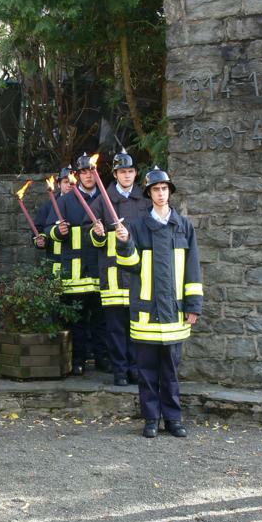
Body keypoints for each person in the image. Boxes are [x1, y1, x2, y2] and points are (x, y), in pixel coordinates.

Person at [115, 167, 202, 438]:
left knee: (172, 372)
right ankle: (151, 419)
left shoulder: (184, 226)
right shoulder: (137, 228)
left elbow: (193, 268)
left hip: (175, 313)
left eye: (165, 189)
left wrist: (193, 305)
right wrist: (125, 245)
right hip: (146, 312)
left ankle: (174, 419)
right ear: (149, 193)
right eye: (156, 189)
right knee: (147, 372)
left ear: (170, 192)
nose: (161, 194)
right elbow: (130, 266)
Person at [91, 149, 152, 386]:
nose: (127, 176)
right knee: (115, 327)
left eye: (131, 171)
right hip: (113, 272)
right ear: (115, 174)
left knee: (137, 326)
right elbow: (92, 237)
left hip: (138, 273)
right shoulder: (102, 201)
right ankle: (120, 370)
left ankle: (136, 369)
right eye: (122, 172)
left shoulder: (144, 201)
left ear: (136, 174)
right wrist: (97, 234)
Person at [46, 153, 109, 375]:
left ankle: (103, 359)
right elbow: (47, 231)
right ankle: (79, 360)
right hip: (76, 272)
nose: (88, 175)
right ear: (77, 175)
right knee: (79, 322)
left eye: (91, 171)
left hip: (100, 270)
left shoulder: (105, 198)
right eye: (83, 172)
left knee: (102, 320)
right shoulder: (65, 201)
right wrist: (57, 231)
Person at [33, 165, 73, 275]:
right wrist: (40, 241)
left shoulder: (85, 204)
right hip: (56, 258)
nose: (69, 185)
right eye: (65, 182)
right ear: (59, 184)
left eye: (71, 181)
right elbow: (38, 229)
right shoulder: (48, 207)